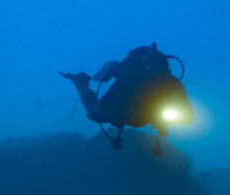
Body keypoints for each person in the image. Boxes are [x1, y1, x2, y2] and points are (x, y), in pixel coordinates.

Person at [61, 43, 192, 154]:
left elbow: (188, 117)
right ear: (145, 69)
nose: (157, 77)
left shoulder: (173, 83)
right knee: (93, 113)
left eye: (160, 71)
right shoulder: (131, 78)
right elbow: (111, 99)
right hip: (121, 106)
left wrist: (165, 117)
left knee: (103, 115)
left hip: (141, 116)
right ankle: (80, 83)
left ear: (167, 71)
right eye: (153, 70)